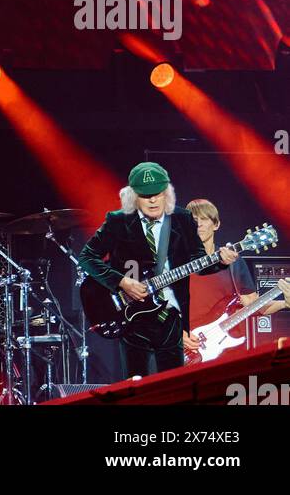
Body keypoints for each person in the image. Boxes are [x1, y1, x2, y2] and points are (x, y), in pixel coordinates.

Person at [78, 161, 238, 379]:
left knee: (173, 385)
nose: (153, 200)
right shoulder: (118, 221)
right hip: (132, 317)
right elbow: (87, 257)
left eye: (158, 193)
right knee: (136, 386)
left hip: (172, 316)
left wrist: (222, 261)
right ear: (133, 196)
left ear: (167, 193)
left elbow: (199, 263)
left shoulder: (182, 219)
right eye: (145, 195)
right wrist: (122, 282)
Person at [183, 198, 290, 356]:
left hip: (221, 349)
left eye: (204, 219)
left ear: (216, 224)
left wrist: (284, 303)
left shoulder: (234, 262)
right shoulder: (176, 262)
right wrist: (180, 334)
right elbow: (162, 307)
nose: (199, 224)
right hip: (183, 349)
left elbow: (253, 305)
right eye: (194, 220)